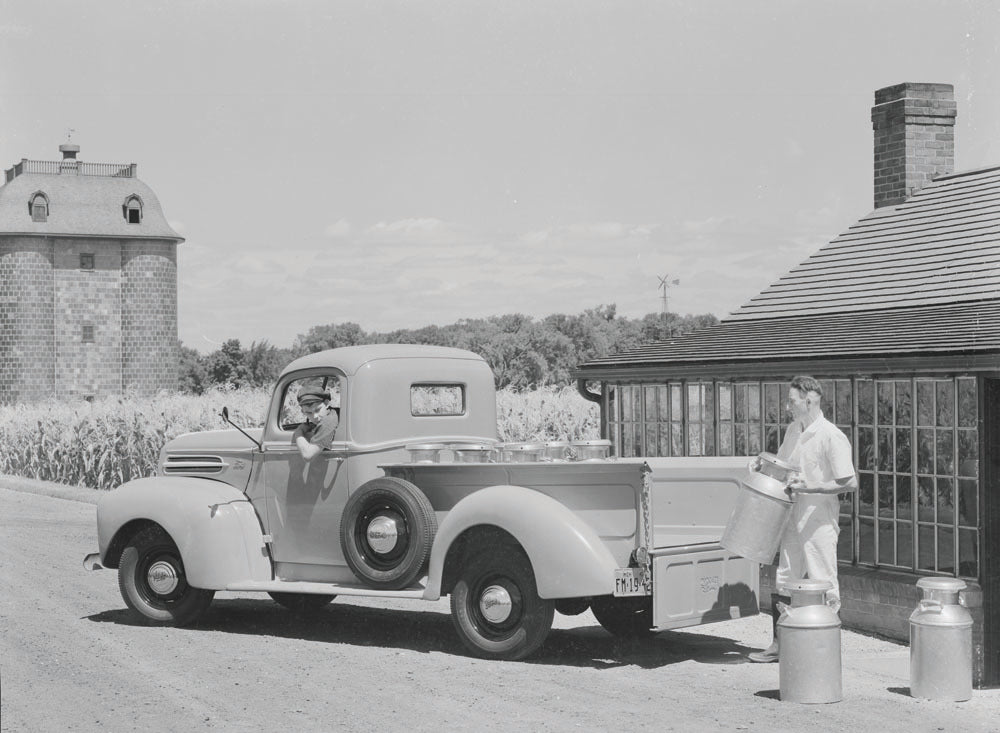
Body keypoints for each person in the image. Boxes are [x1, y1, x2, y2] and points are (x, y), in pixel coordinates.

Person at [748, 375, 858, 663]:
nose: (787, 406)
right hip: (791, 514)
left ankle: (825, 651)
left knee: (824, 580)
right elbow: (785, 465)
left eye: (791, 401)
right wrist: (763, 461)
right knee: (785, 577)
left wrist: (812, 487)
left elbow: (850, 482)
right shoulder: (793, 430)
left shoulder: (831, 435)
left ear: (808, 401)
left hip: (818, 519)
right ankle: (780, 645)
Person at [292, 387, 339, 460]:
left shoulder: (327, 421)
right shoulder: (331, 413)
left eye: (318, 410)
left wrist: (298, 432)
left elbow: (308, 455)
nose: (315, 416)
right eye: (309, 412)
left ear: (326, 403)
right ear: (303, 412)